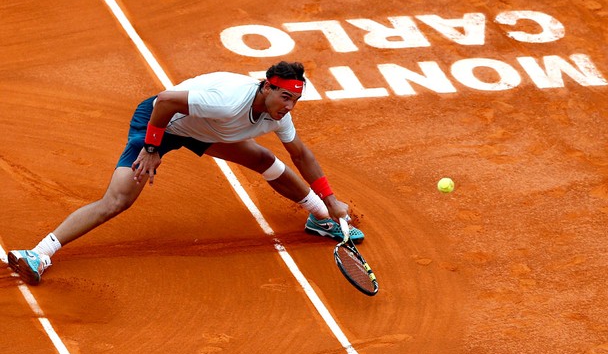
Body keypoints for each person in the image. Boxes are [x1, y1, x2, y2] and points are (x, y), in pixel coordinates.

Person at [7, 61, 364, 286]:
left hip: (204, 130)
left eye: (295, 101)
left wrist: (330, 201)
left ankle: (319, 217)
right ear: (267, 87)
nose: (289, 107)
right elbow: (164, 102)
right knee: (117, 200)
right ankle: (40, 253)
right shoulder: (227, 100)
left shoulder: (277, 115)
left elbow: (300, 153)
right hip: (161, 124)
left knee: (266, 161)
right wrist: (151, 148)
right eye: (285, 98)